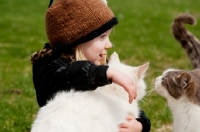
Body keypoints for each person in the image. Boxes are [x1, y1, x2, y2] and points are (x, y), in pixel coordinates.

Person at [30, 0, 150, 131]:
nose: (109, 44)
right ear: (78, 40)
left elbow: (118, 102)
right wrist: (103, 73)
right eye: (102, 36)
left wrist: (140, 124)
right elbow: (68, 76)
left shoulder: (99, 66)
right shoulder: (50, 68)